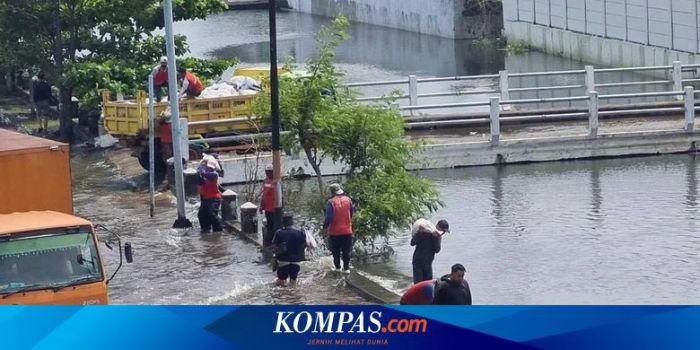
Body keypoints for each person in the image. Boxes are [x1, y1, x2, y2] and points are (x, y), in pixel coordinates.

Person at [323, 183, 355, 273]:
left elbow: (328, 218)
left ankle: (337, 268)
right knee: (346, 251)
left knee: (335, 251)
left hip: (335, 232)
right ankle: (346, 268)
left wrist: (324, 228)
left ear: (332, 192)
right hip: (347, 231)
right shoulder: (348, 200)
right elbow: (352, 213)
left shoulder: (331, 202)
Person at [272, 214, 307, 287]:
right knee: (293, 283)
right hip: (296, 262)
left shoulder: (279, 232)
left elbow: (274, 248)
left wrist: (275, 258)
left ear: (283, 223)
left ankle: (284, 298)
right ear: (292, 223)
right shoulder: (300, 233)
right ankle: (293, 297)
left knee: (280, 284)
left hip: (283, 262)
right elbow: (304, 245)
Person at [410, 218, 449, 283]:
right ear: (437, 227)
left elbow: (437, 250)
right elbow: (412, 243)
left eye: (444, 232)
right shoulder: (424, 232)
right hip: (418, 262)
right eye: (443, 231)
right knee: (418, 282)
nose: (443, 233)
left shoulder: (437, 237)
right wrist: (420, 232)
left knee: (428, 283)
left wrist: (437, 238)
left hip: (428, 264)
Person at [197, 159, 223, 233]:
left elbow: (205, 174)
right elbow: (200, 183)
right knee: (201, 214)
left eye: (211, 167)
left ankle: (218, 230)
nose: (209, 168)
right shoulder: (204, 175)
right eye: (208, 167)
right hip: (206, 198)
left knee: (212, 214)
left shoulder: (214, 174)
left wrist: (201, 169)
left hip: (215, 198)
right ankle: (205, 229)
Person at [260, 164, 276, 247]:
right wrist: (261, 206)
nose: (268, 173)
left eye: (270, 172)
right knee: (269, 226)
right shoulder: (265, 181)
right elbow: (264, 195)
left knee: (274, 226)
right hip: (267, 208)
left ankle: (274, 243)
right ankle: (269, 243)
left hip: (275, 208)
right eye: (267, 172)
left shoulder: (276, 181)